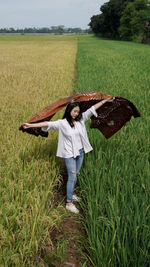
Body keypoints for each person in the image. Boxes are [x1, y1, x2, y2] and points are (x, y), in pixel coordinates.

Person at [23, 98, 113, 214]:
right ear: (69, 110)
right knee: (72, 176)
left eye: (78, 112)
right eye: (74, 111)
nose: (76, 114)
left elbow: (92, 109)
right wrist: (30, 125)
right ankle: (69, 203)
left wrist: (105, 101)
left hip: (80, 152)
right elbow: (47, 124)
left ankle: (72, 194)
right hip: (70, 154)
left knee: (76, 175)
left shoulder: (81, 120)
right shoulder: (62, 123)